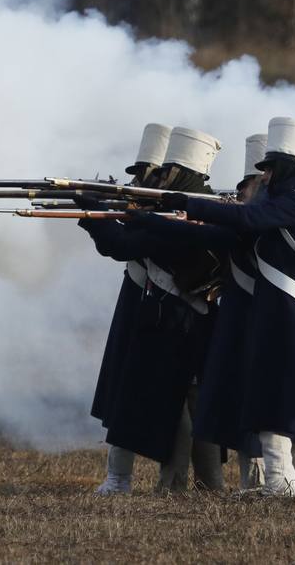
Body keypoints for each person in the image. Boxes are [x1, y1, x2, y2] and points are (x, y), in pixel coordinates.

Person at [161, 116, 295, 498]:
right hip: (284, 317)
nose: (264, 177)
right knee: (288, 398)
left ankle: (283, 485)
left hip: (287, 317)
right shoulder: (294, 202)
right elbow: (227, 231)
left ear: (286, 168)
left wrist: (187, 202)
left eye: (270, 169)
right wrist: (162, 221)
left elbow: (245, 217)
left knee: (277, 397)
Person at [82, 126, 224, 494]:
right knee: (193, 404)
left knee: (177, 406)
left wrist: (92, 211)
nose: (156, 176)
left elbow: (122, 245)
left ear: (181, 172)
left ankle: (173, 486)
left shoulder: (183, 213)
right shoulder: (193, 206)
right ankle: (208, 485)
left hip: (176, 320)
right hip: (189, 319)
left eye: (165, 170)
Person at [132, 133, 269, 491]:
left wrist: (135, 221)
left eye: (170, 172)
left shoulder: (256, 219)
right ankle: (213, 483)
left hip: (215, 323)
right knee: (204, 406)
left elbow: (137, 245)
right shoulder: (234, 216)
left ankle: (259, 485)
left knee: (243, 408)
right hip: (218, 323)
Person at [87, 122, 171, 495]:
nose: (138, 179)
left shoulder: (169, 212)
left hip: (163, 305)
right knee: (122, 387)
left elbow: (122, 245)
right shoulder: (150, 207)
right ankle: (118, 475)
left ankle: (143, 479)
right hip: (137, 296)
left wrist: (96, 217)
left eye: (144, 174)